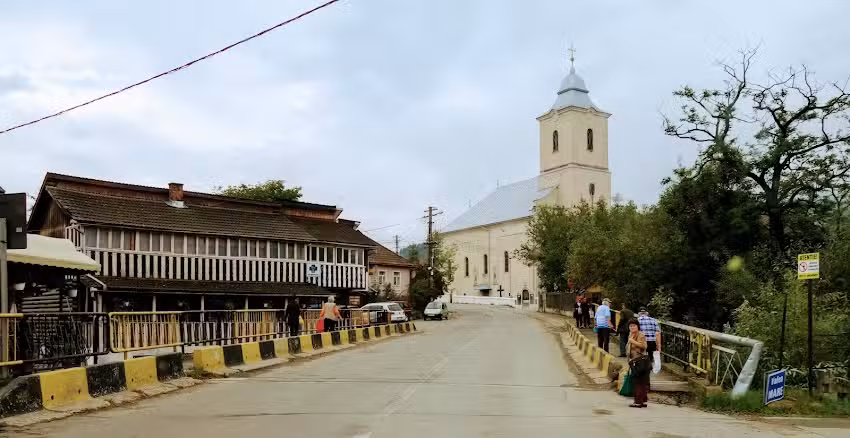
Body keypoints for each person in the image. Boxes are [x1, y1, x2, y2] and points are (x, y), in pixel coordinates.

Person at [627, 318, 649, 407]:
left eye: (634, 326)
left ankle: (638, 401)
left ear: (638, 326)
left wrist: (633, 341)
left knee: (638, 381)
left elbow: (644, 346)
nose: (632, 327)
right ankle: (641, 400)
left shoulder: (640, 335)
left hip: (640, 361)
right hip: (634, 360)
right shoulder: (631, 334)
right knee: (640, 381)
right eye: (630, 326)